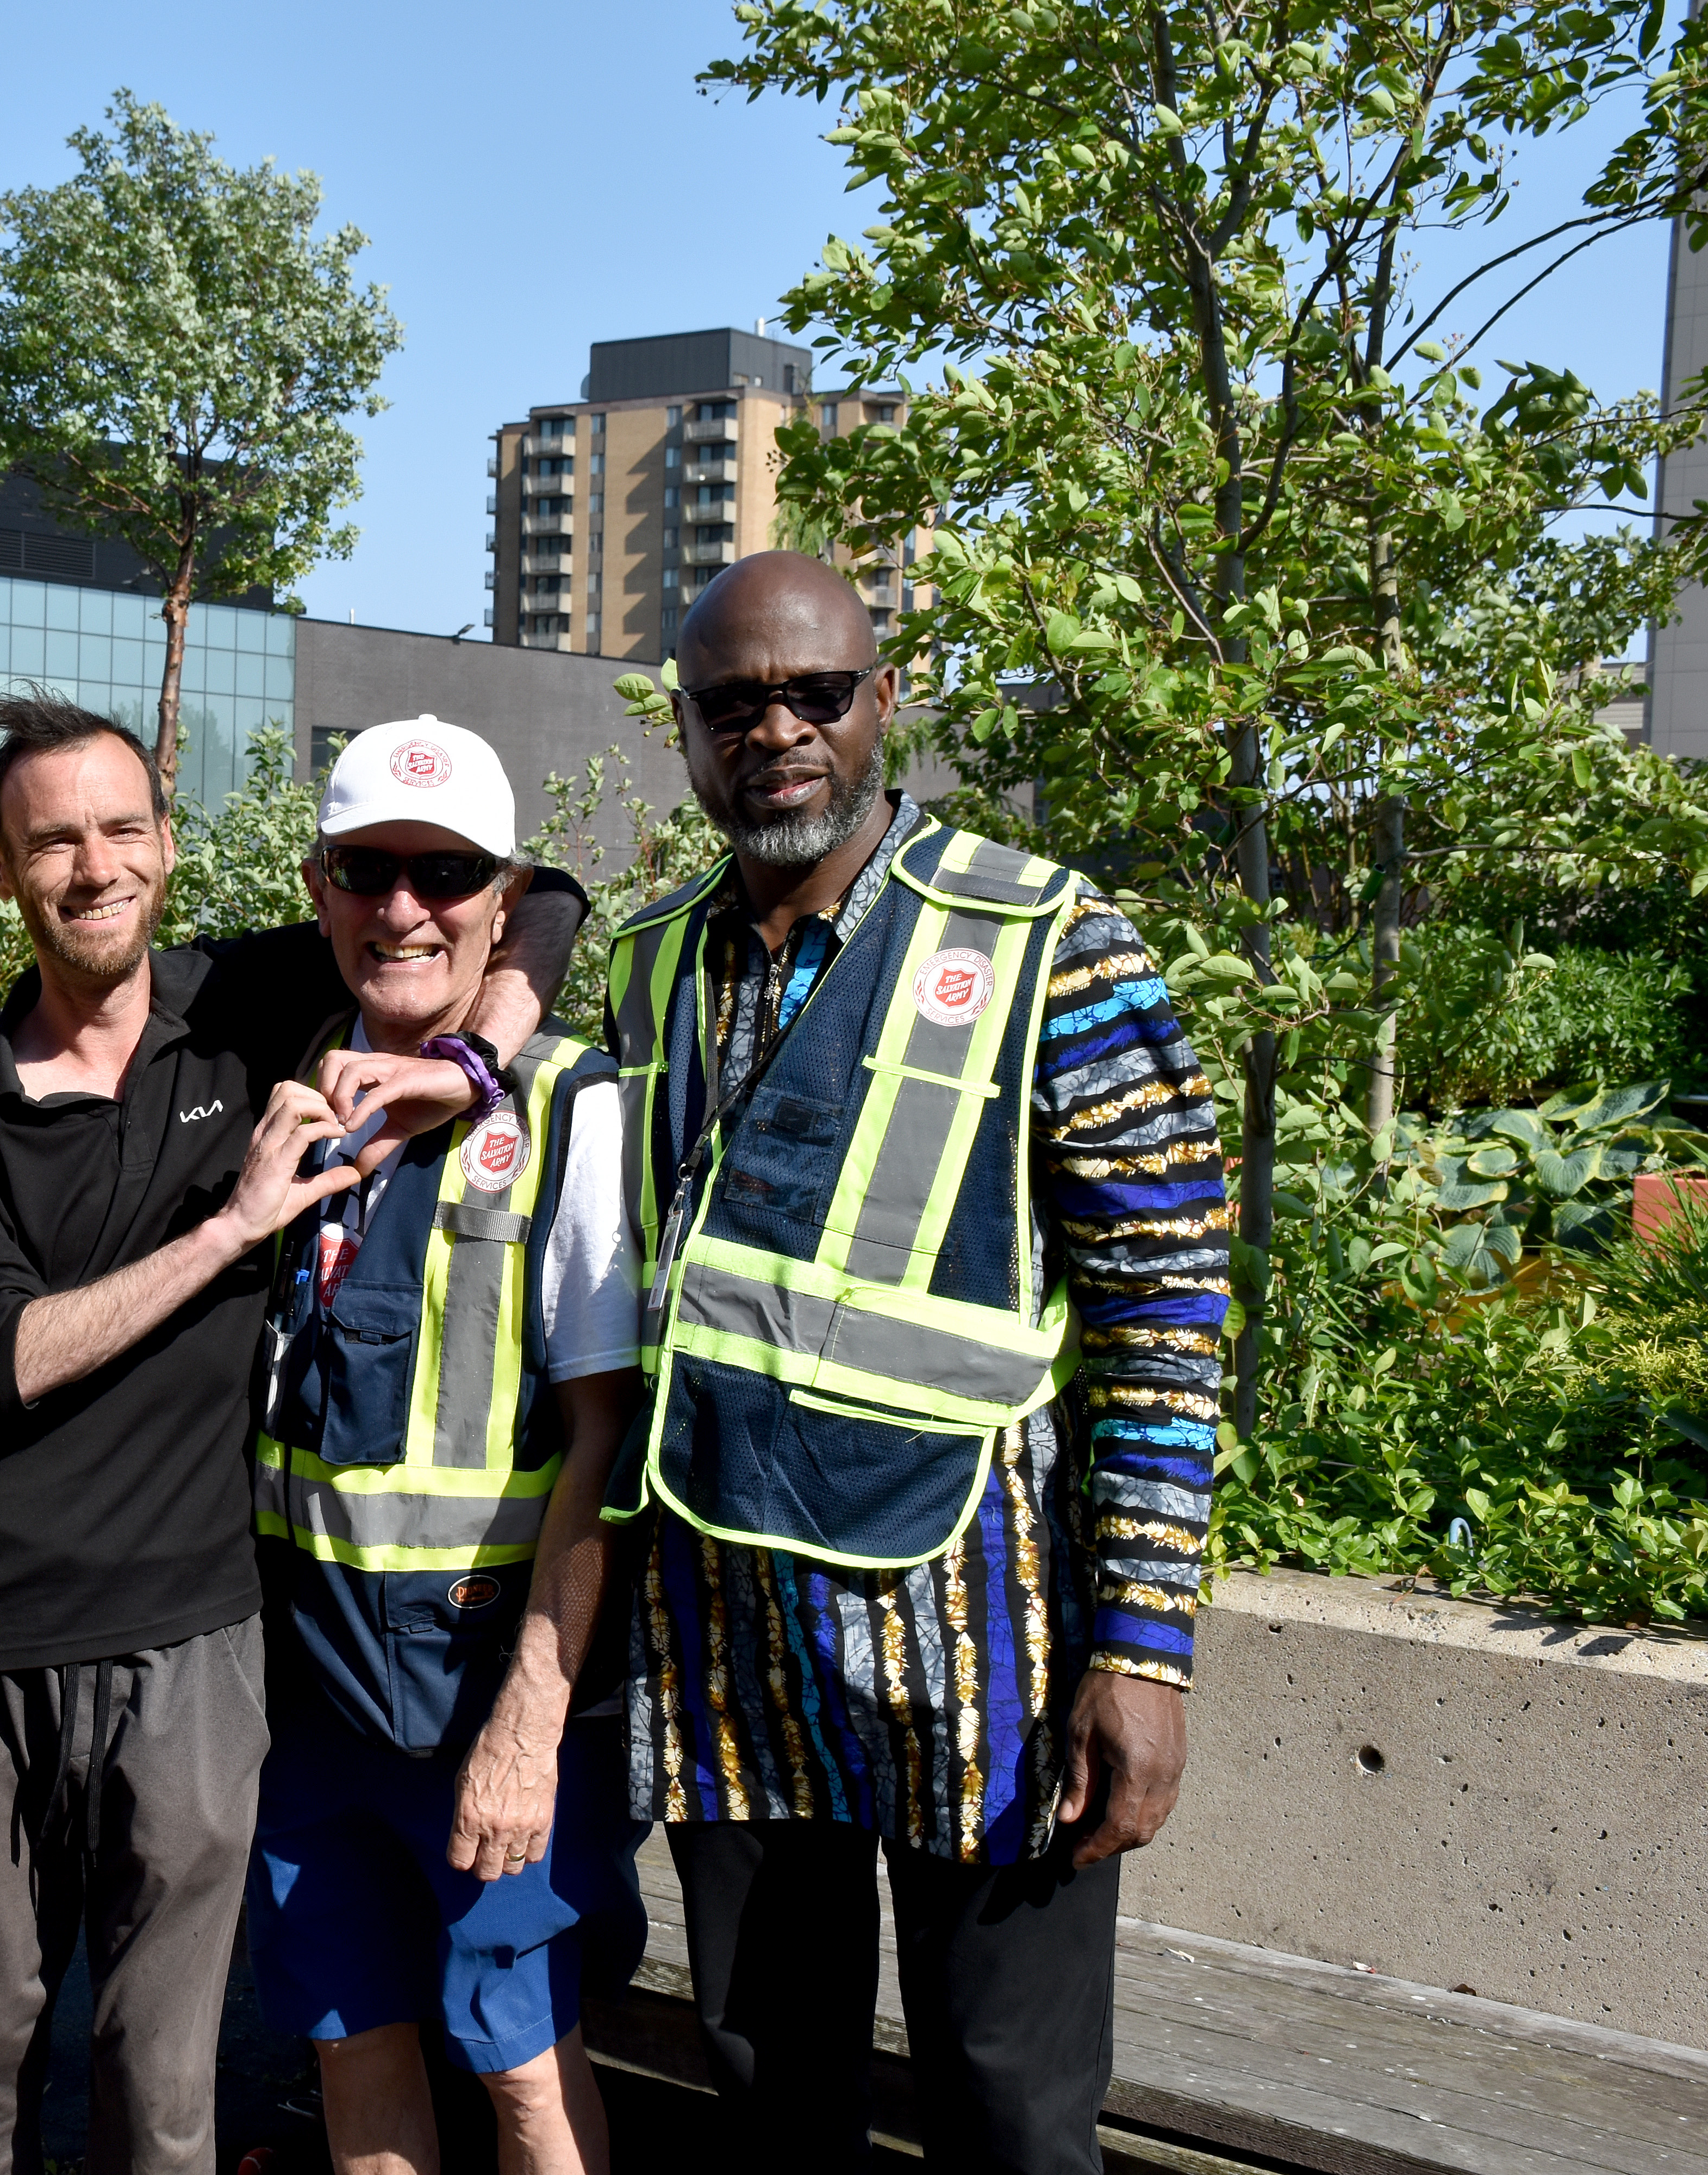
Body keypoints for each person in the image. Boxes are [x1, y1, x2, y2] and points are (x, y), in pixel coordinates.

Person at [0, 697, 587, 2175]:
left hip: (202, 1643)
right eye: (52, 841)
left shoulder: (243, 1004)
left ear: (168, 847)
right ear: (2, 870)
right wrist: (234, 1229)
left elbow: (540, 900)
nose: (94, 867)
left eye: (122, 830)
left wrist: (475, 1062)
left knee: (167, 2086)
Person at [596, 552, 1230, 2171]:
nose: (779, 732)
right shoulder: (654, 964)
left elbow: (1169, 1311)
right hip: (734, 1648)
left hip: (984, 1655)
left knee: (1011, 2112)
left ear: (885, 705)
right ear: (687, 732)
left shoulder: (1053, 942)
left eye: (816, 694)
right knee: (775, 2092)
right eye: (736, 704)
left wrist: (1141, 1652)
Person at [243, 720, 643, 2175]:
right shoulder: (281, 1066)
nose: (404, 906)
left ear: (503, 893)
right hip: (310, 1700)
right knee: (356, 2053)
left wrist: (528, 1726)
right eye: (366, 870)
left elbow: (606, 1436)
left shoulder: (568, 1107)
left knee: (525, 2068)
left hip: (484, 1696)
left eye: (448, 873)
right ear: (320, 882)